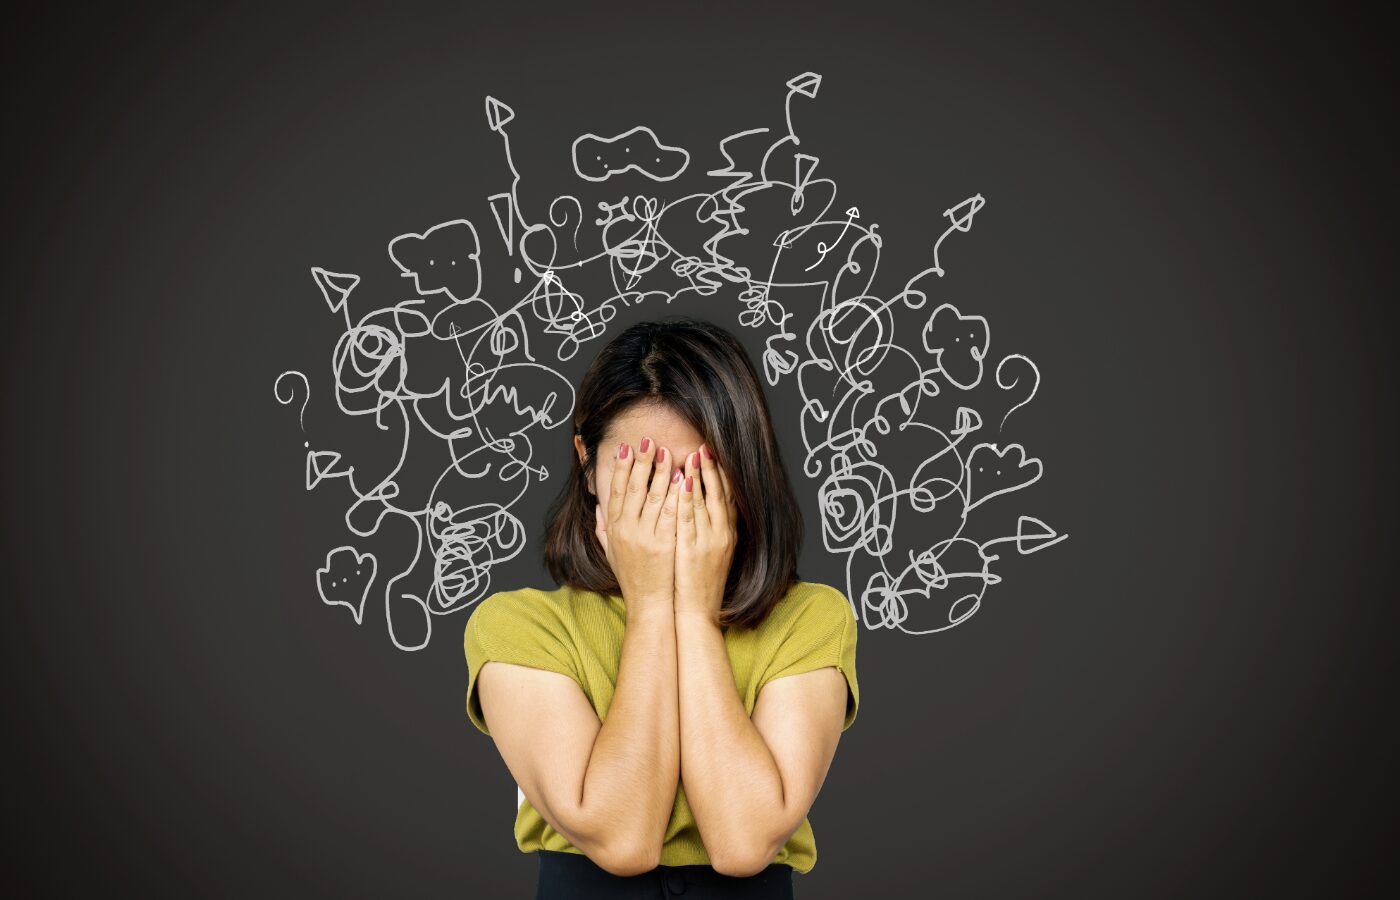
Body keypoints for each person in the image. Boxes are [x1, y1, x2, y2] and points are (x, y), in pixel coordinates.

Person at [464, 316, 860, 898]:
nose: (671, 504)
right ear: (588, 465)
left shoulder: (810, 618)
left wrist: (695, 616)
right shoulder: (518, 628)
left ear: (743, 473)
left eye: (697, 476)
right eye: (641, 475)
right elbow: (621, 838)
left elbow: (745, 843)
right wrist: (651, 605)